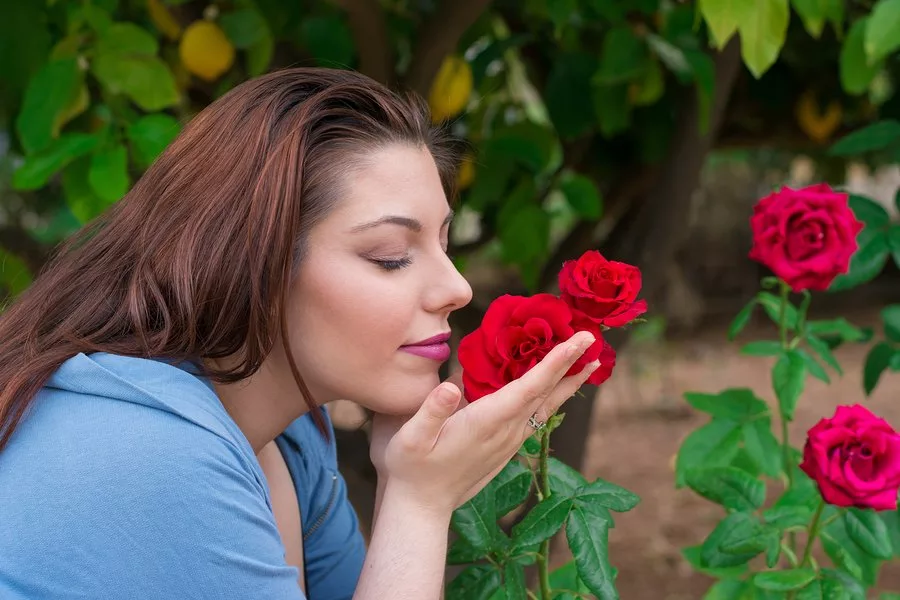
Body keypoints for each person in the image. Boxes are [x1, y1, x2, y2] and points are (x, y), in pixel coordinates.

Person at [0, 67, 600, 599]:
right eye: (392, 256)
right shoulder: (151, 456)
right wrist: (421, 502)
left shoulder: (290, 439)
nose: (458, 288)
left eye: (444, 243)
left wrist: (409, 483)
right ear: (250, 266)